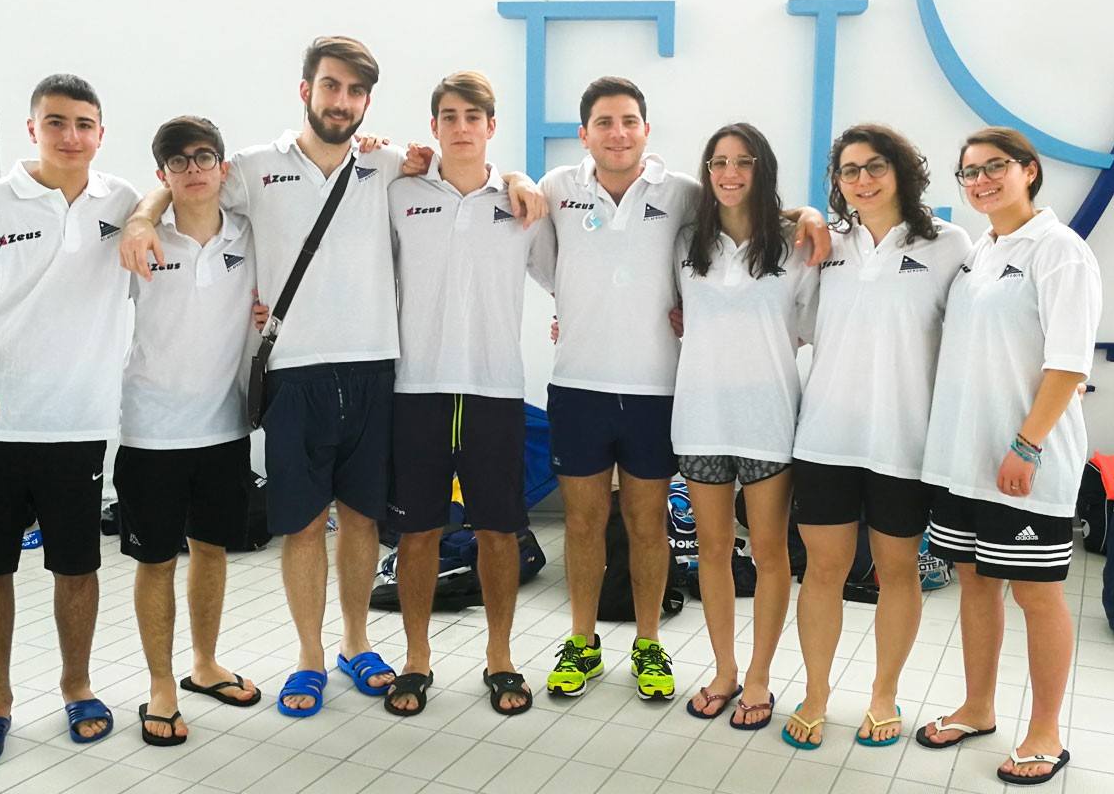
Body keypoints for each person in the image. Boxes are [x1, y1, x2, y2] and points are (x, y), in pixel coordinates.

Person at [119, 36, 543, 718]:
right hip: (294, 372)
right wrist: (142, 218)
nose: (341, 101)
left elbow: (467, 167)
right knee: (304, 525)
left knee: (363, 521)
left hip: (376, 369)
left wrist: (518, 178)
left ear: (366, 101)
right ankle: (310, 657)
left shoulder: (387, 164)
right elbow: (181, 180)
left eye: (354, 91)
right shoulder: (253, 167)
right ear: (306, 90)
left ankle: (356, 643)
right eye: (330, 86)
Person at [532, 77, 829, 701]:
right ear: (584, 133)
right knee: (582, 524)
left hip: (659, 391)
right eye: (604, 122)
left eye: (629, 121)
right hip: (579, 386)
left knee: (649, 524)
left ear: (647, 130)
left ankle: (649, 643)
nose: (618, 133)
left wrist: (808, 213)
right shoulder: (557, 188)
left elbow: (752, 209)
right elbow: (542, 257)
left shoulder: (684, 194)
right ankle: (582, 642)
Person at [0, 74, 139, 765]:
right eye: (56, 122)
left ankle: (78, 687)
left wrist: (143, 219)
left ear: (101, 133)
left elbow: (170, 205)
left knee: (77, 568)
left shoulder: (122, 201)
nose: (70, 136)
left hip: (76, 428)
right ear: (32, 129)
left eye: (84, 124)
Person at [918, 127, 1100, 786]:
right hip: (963, 459)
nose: (981, 181)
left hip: (1026, 462)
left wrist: (1027, 444)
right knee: (974, 581)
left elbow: (1069, 363)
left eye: (994, 167)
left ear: (1029, 171)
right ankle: (978, 706)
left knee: (1036, 594)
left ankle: (1046, 731)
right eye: (969, 172)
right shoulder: (981, 252)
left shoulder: (1060, 250)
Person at [781, 124, 972, 750]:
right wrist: (806, 215)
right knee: (823, 571)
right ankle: (815, 693)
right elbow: (783, 303)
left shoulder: (948, 244)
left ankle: (884, 694)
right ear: (836, 181)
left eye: (875, 166)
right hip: (825, 439)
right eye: (849, 170)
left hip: (903, 444)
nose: (862, 179)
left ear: (902, 171)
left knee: (897, 572)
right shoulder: (825, 242)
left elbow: (978, 330)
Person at [382, 71, 548, 717]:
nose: (460, 127)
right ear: (434, 125)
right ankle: (416, 658)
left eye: (472, 117)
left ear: (491, 126)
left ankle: (500, 658)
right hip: (417, 388)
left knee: (499, 533)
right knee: (417, 533)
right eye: (448, 116)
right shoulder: (400, 194)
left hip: (493, 389)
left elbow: (570, 275)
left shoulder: (523, 203)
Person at [117, 116, 263, 746]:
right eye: (178, 161)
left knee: (211, 551)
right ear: (163, 174)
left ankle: (204, 664)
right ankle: (161, 686)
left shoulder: (249, 234)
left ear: (222, 167)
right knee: (155, 562)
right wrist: (144, 216)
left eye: (204, 157)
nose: (194, 169)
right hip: (150, 431)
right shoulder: (140, 239)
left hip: (224, 427)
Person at [674, 123, 816, 729]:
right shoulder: (687, 241)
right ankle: (725, 669)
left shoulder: (795, 244)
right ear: (707, 172)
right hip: (701, 417)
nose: (729, 173)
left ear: (763, 169)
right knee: (711, 551)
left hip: (768, 420)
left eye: (743, 161)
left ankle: (759, 674)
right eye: (719, 162)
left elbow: (810, 327)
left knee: (769, 552)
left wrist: (806, 213)